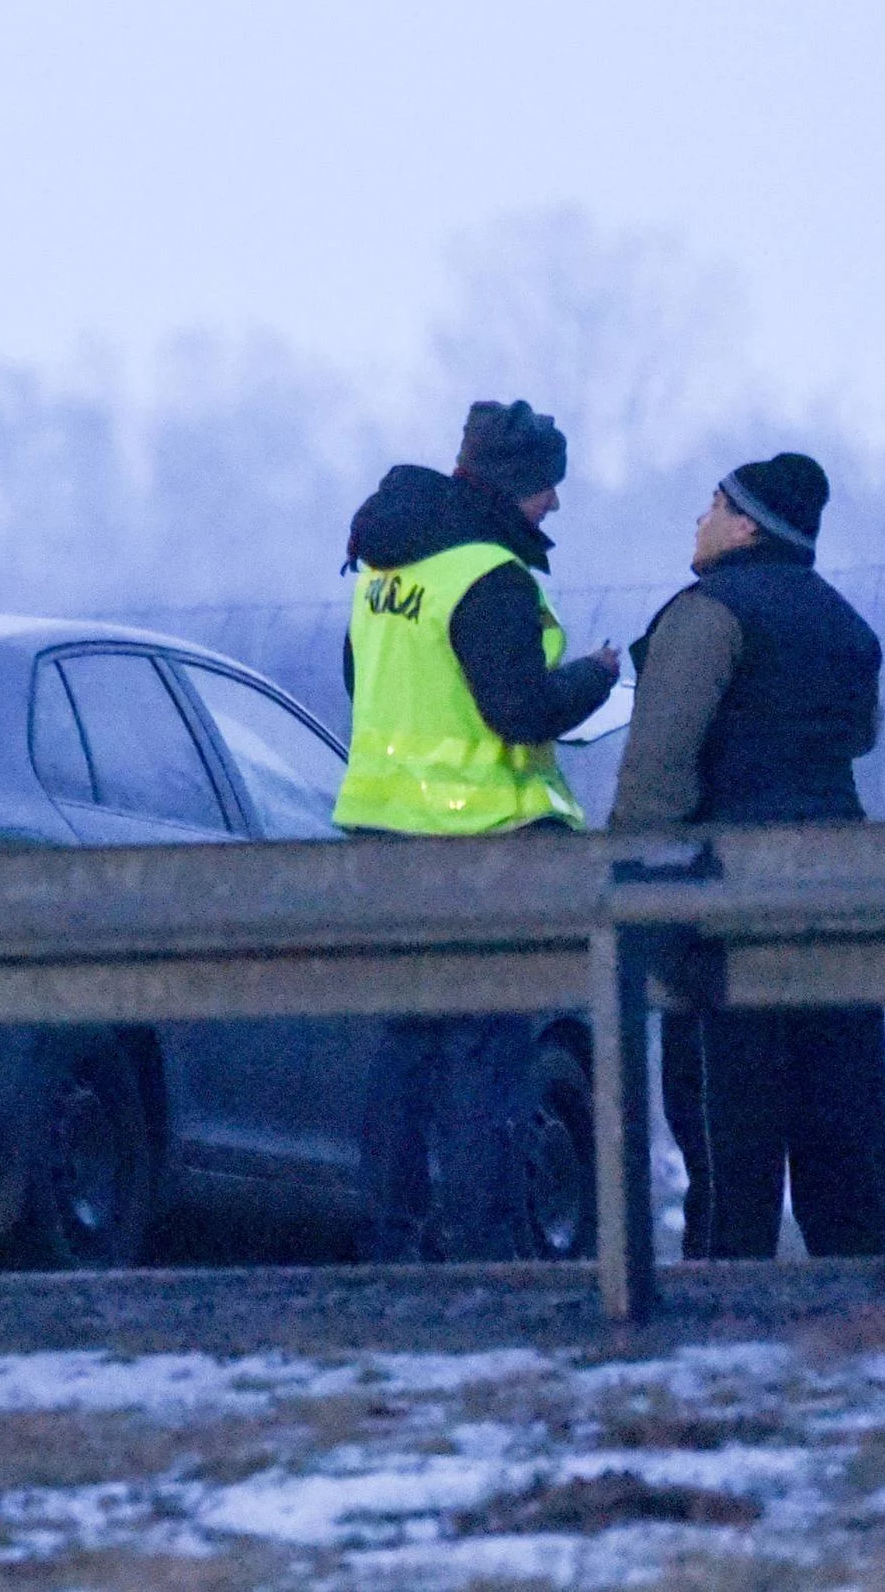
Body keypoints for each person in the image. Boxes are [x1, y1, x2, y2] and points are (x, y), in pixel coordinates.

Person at [334, 400, 620, 1260]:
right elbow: (520, 712)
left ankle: (392, 1240)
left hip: (384, 841)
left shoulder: (385, 570)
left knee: (405, 1050)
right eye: (544, 487)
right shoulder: (489, 574)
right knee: (486, 1057)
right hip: (481, 845)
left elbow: (367, 687)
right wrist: (598, 678)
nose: (553, 506)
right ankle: (485, 1246)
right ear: (509, 486)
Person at [611, 452, 885, 1259]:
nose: (697, 520)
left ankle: (722, 1336)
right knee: (846, 1159)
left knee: (732, 1167)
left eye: (711, 505)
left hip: (724, 922)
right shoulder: (848, 625)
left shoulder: (707, 614)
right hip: (842, 913)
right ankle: (865, 1330)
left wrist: (636, 905)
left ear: (745, 525)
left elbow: (657, 773)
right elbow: (860, 735)